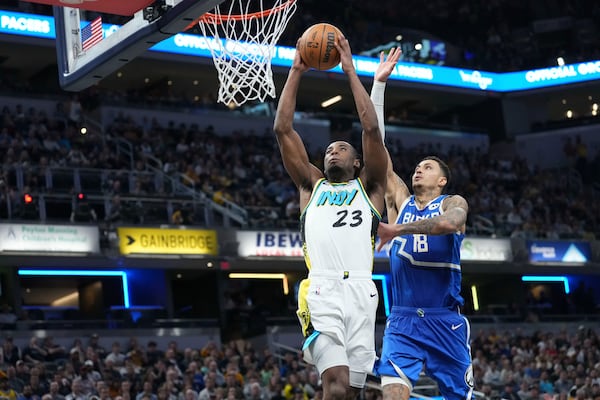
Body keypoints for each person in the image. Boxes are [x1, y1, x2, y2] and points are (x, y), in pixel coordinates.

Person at [273, 34, 389, 400]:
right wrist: (295, 69)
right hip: (321, 290)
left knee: (351, 392)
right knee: (336, 386)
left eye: (341, 148)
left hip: (362, 291)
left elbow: (371, 129)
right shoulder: (311, 185)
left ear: (358, 162)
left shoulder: (371, 186)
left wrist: (350, 69)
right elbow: (282, 129)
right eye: (328, 150)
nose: (332, 152)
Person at [371, 49, 473, 400]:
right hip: (401, 321)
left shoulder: (453, 202)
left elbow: (450, 224)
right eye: (417, 166)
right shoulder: (400, 199)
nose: (418, 169)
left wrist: (397, 229)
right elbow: (376, 150)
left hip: (445, 320)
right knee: (393, 393)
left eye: (428, 167)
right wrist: (378, 87)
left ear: (443, 181)